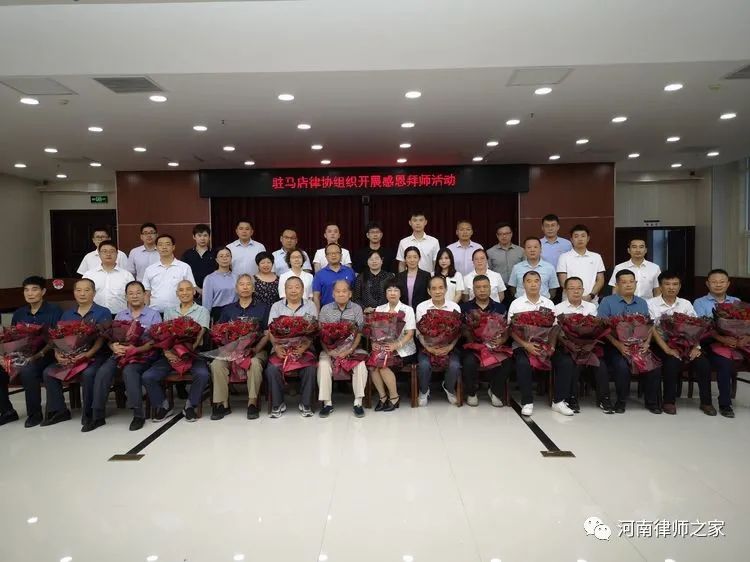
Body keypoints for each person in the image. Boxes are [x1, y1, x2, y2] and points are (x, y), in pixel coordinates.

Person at [86, 281, 162, 432]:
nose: (135, 296)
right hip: (120, 354)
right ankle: (97, 415)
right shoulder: (120, 315)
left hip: (143, 355)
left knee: (129, 371)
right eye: (131, 293)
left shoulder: (154, 314)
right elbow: (111, 337)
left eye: (138, 293)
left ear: (145, 295)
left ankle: (138, 415)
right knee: (103, 371)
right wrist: (113, 346)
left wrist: (136, 349)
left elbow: (155, 341)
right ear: (126, 296)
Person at [41, 278, 112, 427]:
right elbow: (59, 337)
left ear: (94, 293)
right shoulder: (67, 314)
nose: (82, 293)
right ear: (74, 293)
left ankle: (89, 413)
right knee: (48, 372)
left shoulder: (103, 312)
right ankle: (60, 411)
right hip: (71, 357)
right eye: (78, 290)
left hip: (95, 356)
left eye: (87, 290)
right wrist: (58, 354)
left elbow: (102, 338)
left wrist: (88, 354)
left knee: (88, 373)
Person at [142, 280, 210, 422]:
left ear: (194, 292)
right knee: (148, 376)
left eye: (188, 289)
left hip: (193, 353)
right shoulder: (169, 311)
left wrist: (185, 353)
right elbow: (164, 336)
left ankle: (190, 406)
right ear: (177, 293)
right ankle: (164, 406)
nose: (185, 293)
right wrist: (167, 352)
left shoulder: (202, 311)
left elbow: (199, 336)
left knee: (203, 374)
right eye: (181, 290)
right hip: (170, 354)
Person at [0, 276, 62, 428]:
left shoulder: (54, 311)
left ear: (43, 291)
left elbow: (56, 339)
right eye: (26, 290)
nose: (30, 293)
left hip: (47, 354)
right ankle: (7, 411)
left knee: (28, 370)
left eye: (34, 289)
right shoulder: (19, 313)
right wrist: (5, 356)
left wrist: (37, 355)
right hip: (21, 355)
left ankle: (34, 414)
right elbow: (12, 337)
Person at [648, 271, 713, 416]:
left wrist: (696, 347)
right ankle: (669, 402)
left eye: (675, 284)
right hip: (663, 345)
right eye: (667, 284)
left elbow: (697, 327)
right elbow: (652, 330)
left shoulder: (685, 304)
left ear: (679, 286)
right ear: (660, 286)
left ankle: (706, 402)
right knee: (672, 362)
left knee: (703, 363)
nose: (671, 287)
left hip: (688, 344)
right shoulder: (651, 303)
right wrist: (667, 349)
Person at [598, 270, 661, 414]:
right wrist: (618, 345)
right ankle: (621, 401)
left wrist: (647, 343)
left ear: (636, 283)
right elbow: (602, 328)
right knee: (622, 366)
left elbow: (648, 326)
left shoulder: (642, 302)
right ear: (617, 285)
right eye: (624, 282)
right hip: (615, 346)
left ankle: (651, 402)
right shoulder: (607, 301)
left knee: (654, 366)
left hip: (639, 345)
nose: (628, 285)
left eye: (631, 282)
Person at [508, 271, 569, 417]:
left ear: (541, 283)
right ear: (523, 284)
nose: (533, 284)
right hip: (522, 346)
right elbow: (510, 330)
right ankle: (527, 402)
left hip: (545, 345)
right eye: (529, 281)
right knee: (522, 363)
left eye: (536, 281)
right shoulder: (516, 304)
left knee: (565, 362)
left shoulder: (548, 303)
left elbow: (555, 328)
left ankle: (559, 401)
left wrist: (552, 346)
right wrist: (526, 345)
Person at [210, 274, 270, 421]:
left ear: (253, 288)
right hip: (230, 351)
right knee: (216, 364)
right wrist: (228, 349)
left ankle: (252, 402)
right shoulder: (228, 309)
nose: (245, 287)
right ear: (236, 289)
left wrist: (255, 349)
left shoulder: (263, 308)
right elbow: (218, 332)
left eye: (248, 284)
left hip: (255, 350)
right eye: (241, 284)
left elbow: (267, 333)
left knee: (254, 363)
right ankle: (222, 404)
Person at [554, 276, 612, 414]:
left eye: (579, 288)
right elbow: (556, 332)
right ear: (565, 291)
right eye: (572, 288)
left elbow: (596, 328)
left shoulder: (591, 307)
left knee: (601, 365)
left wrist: (587, 345)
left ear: (583, 290)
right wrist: (570, 344)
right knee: (571, 362)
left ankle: (604, 399)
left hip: (589, 346)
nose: (576, 291)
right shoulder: (558, 308)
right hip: (567, 347)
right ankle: (572, 399)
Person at [265, 276, 319, 418]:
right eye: (290, 287)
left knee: (310, 369)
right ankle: (278, 404)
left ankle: (306, 404)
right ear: (285, 290)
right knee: (272, 369)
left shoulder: (310, 306)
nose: (293, 290)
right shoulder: (276, 306)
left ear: (303, 290)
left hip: (303, 348)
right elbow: (271, 330)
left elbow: (313, 330)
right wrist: (276, 347)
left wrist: (304, 347)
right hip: (281, 348)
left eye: (297, 287)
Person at [694, 268, 741, 418]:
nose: (718, 284)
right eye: (714, 282)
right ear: (708, 284)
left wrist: (738, 339)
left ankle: (725, 404)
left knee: (725, 364)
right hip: (706, 342)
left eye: (722, 282)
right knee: (704, 365)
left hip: (729, 344)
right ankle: (706, 402)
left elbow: (742, 324)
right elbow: (702, 326)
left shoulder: (736, 302)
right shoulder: (699, 302)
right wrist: (722, 338)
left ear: (728, 284)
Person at [317, 280, 368, 418]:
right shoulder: (325, 309)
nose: (341, 294)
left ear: (350, 294)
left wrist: (350, 350)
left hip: (351, 348)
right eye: (338, 291)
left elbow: (360, 333)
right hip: (330, 349)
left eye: (344, 291)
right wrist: (329, 351)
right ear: (333, 294)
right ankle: (327, 403)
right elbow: (321, 335)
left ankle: (358, 403)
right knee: (323, 364)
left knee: (361, 365)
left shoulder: (357, 308)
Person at [460, 275, 510, 407]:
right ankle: (471, 393)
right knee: (469, 361)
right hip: (473, 347)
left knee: (507, 361)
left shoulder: (500, 308)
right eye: (478, 287)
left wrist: (501, 340)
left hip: (494, 346)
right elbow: (461, 329)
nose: (482, 290)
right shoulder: (465, 308)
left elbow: (507, 330)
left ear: (490, 288)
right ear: (473, 290)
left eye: (485, 287)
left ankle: (495, 392)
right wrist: (469, 336)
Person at [415, 276, 462, 407]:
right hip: (427, 347)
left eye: (441, 288)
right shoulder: (421, 307)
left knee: (454, 366)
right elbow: (419, 333)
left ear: (446, 289)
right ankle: (424, 391)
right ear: (429, 291)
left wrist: (450, 347)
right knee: (424, 365)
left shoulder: (454, 307)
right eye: (434, 288)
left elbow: (457, 332)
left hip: (449, 347)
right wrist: (429, 348)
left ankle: (449, 388)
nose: (437, 291)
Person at [370, 280, 417, 411]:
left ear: (400, 293)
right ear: (385, 294)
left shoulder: (407, 310)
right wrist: (374, 343)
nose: (392, 293)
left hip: (404, 349)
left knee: (382, 365)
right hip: (383, 348)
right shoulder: (379, 309)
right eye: (389, 290)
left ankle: (394, 397)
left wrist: (396, 345)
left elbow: (410, 333)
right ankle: (383, 397)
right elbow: (374, 332)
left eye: (396, 290)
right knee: (373, 366)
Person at [142, 234, 196, 313]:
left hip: (179, 313)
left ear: (173, 247)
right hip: (155, 313)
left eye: (167, 244)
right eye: (160, 244)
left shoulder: (184, 267)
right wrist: (146, 313)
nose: (164, 247)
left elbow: (191, 290)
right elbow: (147, 293)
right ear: (156, 248)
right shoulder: (150, 269)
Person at [556, 224, 605, 303]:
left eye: (583, 236)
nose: (580, 239)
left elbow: (600, 280)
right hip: (569, 301)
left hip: (591, 301)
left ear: (588, 238)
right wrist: (576, 297)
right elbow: (563, 282)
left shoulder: (596, 257)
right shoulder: (564, 257)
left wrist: (591, 295)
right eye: (576, 236)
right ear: (571, 240)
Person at [83, 240, 135, 315]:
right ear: (99, 254)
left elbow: (132, 298)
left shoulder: (127, 275)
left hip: (120, 316)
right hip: (94, 316)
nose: (108, 254)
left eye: (112, 251)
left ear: (117, 254)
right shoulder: (89, 275)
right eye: (104, 251)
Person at [312, 243, 356, 309]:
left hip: (348, 311)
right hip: (327, 312)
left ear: (341, 255)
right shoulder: (319, 275)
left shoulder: (350, 271)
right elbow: (316, 297)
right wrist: (317, 314)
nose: (333, 255)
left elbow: (355, 292)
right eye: (330, 253)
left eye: (336, 253)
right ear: (326, 257)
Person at [180, 223, 217, 297]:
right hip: (192, 293)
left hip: (213, 292)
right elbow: (183, 274)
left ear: (209, 237)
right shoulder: (187, 254)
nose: (202, 238)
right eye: (199, 235)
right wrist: (197, 289)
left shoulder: (215, 253)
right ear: (194, 237)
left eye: (205, 235)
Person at [201, 247, 237, 321]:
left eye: (227, 255)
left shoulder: (237, 277)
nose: (225, 258)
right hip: (218, 314)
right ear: (216, 260)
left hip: (235, 313)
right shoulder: (210, 278)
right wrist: (205, 320)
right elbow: (206, 303)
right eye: (221, 256)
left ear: (231, 258)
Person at [486, 222, 523, 287]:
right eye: (501, 234)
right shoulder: (490, 252)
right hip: (498, 287)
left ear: (511, 234)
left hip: (517, 286)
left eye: (506, 233)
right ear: (497, 235)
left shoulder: (521, 251)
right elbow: (488, 271)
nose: (504, 236)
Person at [395, 246, 430, 311]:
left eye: (415, 257)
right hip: (402, 311)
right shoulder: (399, 276)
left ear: (419, 258)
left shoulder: (426, 275)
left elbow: (428, 296)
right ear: (405, 259)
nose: (412, 260)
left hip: (421, 310)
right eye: (409, 257)